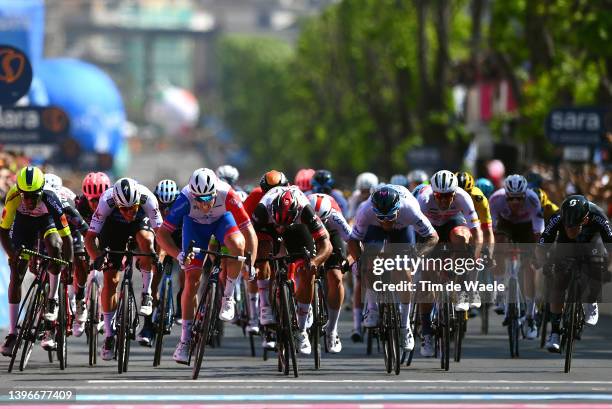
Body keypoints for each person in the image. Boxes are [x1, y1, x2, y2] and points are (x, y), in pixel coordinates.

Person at [156, 168, 254, 364]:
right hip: (194, 229)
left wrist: (251, 262)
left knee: (238, 245)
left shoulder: (227, 193)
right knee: (192, 280)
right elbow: (161, 235)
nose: (203, 204)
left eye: (208, 198)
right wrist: (179, 255)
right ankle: (184, 341)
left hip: (222, 223)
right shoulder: (184, 199)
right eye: (198, 199)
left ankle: (227, 296)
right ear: (192, 194)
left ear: (215, 192)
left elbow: (249, 231)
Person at [348, 184, 439, 353]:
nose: (386, 222)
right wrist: (359, 261)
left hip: (403, 229)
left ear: (398, 209)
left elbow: (433, 237)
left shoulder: (409, 209)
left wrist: (418, 254)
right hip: (374, 230)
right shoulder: (366, 211)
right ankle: (373, 308)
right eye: (381, 217)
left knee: (403, 272)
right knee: (369, 261)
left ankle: (405, 327)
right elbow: (352, 241)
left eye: (390, 217)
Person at [85, 178, 163, 360]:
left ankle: (147, 294)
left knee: (147, 242)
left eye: (132, 208)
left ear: (138, 202)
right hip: (113, 227)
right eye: (124, 209)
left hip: (140, 225)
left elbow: (161, 235)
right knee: (110, 280)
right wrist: (97, 258)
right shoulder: (106, 201)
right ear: (117, 204)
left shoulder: (148, 199)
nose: (129, 213)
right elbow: (90, 238)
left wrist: (156, 258)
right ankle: (109, 335)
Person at [0, 166, 74, 355]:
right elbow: (2, 231)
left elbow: (66, 238)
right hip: (23, 225)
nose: (29, 200)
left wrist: (69, 264)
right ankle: (12, 332)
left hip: (46, 222)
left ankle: (52, 299)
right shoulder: (13, 196)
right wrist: (12, 255)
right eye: (25, 195)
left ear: (41, 192)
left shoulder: (51, 199)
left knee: (55, 247)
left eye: (34, 196)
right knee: (16, 274)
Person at [252, 186, 332, 354]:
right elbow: (250, 239)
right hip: (268, 227)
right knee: (262, 256)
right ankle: (266, 306)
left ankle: (301, 330)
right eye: (279, 223)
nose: (281, 227)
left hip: (296, 228)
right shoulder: (262, 209)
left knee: (308, 270)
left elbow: (326, 246)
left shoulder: (305, 210)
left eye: (283, 224)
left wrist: (315, 262)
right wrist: (252, 262)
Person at [415, 170, 482, 357]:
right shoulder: (424, 199)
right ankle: (427, 333)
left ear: (455, 193)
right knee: (427, 278)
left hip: (453, 224)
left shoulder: (463, 197)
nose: (444, 201)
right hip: (429, 229)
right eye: (440, 196)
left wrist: (476, 257)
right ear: (433, 193)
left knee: (462, 237)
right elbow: (414, 231)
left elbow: (476, 232)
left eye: (448, 196)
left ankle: (461, 288)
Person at [537, 195, 612, 353]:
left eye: (574, 226)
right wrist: (545, 264)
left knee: (597, 266)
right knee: (558, 282)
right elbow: (542, 246)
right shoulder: (557, 218)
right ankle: (555, 333)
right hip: (565, 246)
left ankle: (591, 301)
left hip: (592, 242)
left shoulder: (598, 217)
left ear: (585, 220)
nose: (570, 228)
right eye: (567, 225)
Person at [489, 174, 544, 339]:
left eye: (519, 199)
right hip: (505, 225)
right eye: (511, 199)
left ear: (525, 195)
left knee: (529, 266)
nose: (515, 203)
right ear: (506, 195)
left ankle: (530, 316)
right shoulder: (495, 199)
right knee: (498, 245)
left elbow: (538, 232)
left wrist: (536, 254)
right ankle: (500, 292)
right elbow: (492, 229)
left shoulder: (533, 199)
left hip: (526, 228)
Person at [308, 193, 352, 353]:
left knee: (335, 278)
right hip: (308, 232)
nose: (321, 224)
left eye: (323, 221)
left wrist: (347, 262)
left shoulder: (336, 218)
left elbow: (355, 244)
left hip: (332, 235)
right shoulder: (301, 212)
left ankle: (332, 329)